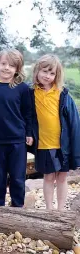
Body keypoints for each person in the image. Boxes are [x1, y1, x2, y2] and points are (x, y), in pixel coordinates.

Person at [0, 48, 33, 207]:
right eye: (3, 64)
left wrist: (29, 132)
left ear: (17, 69)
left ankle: (18, 207)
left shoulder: (22, 88)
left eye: (11, 65)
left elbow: (28, 113)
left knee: (17, 177)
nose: (6, 68)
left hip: (17, 140)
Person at [29, 54, 80, 210]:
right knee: (49, 177)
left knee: (62, 177)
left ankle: (60, 210)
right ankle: (49, 210)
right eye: (45, 71)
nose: (48, 76)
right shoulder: (31, 93)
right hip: (44, 144)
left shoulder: (62, 94)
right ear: (37, 70)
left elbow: (74, 122)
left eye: (52, 74)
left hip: (63, 145)